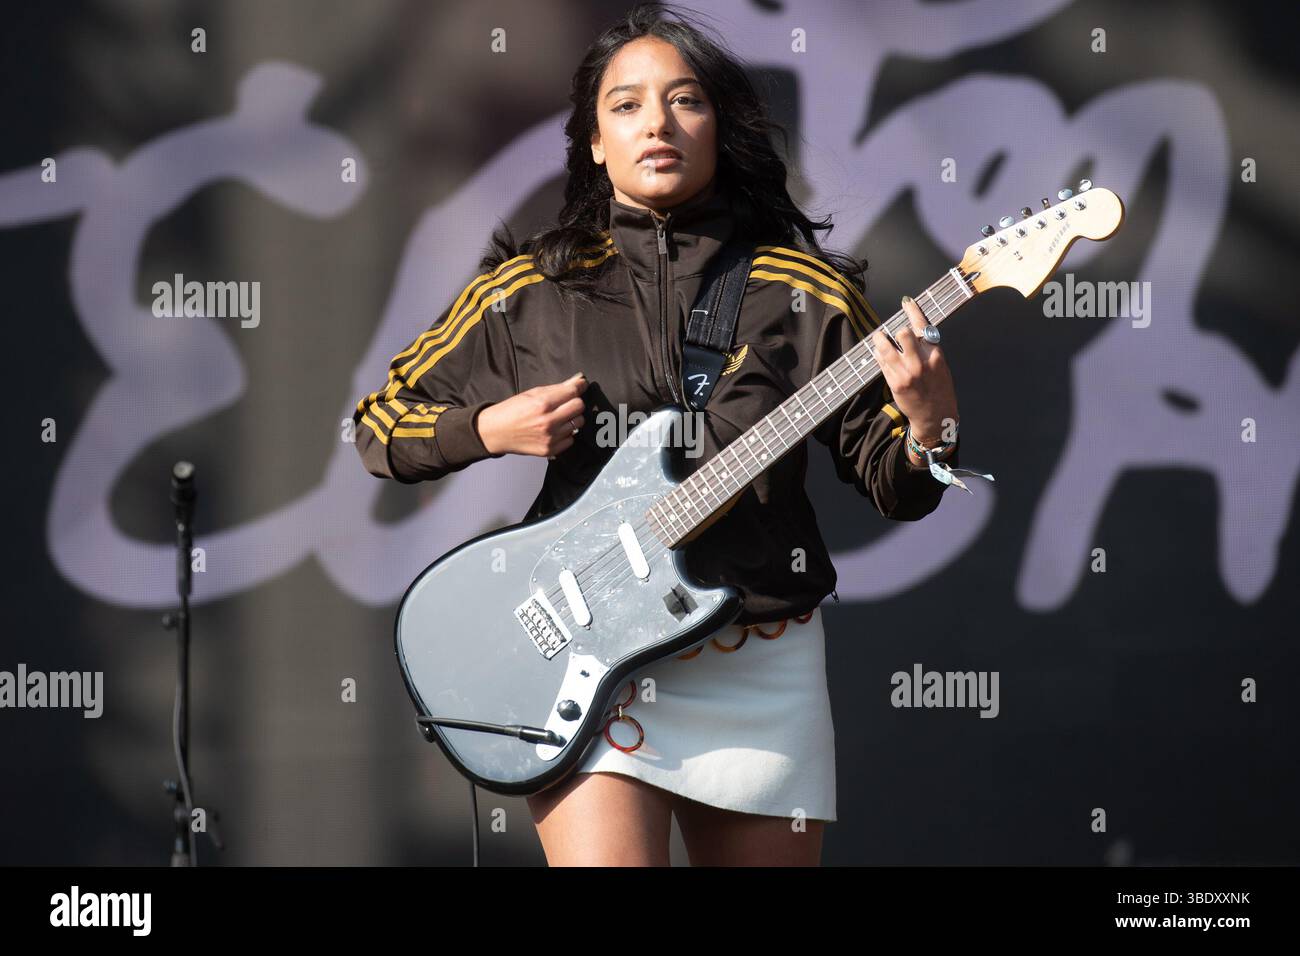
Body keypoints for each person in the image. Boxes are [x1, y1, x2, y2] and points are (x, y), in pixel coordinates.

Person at [352, 3, 960, 866]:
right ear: (594, 142)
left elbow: (897, 486)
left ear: (722, 128)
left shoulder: (805, 291)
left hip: (758, 662)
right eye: (626, 105)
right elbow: (378, 425)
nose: (658, 123)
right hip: (588, 662)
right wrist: (487, 427)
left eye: (686, 101)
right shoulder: (530, 289)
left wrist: (932, 420)